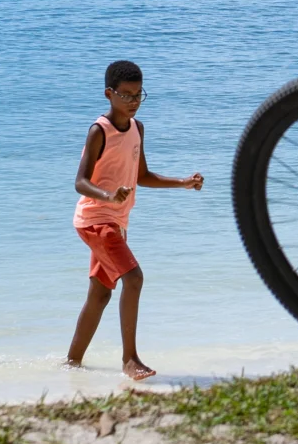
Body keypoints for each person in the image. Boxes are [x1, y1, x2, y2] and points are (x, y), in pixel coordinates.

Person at [66, 59, 204, 381]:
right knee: (134, 278)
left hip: (116, 222)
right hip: (96, 220)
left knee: (100, 294)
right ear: (109, 94)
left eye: (139, 95)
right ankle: (130, 360)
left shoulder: (138, 129)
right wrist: (108, 196)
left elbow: (141, 176)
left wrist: (182, 182)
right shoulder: (99, 131)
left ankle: (71, 365)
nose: (133, 102)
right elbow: (80, 181)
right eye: (126, 95)